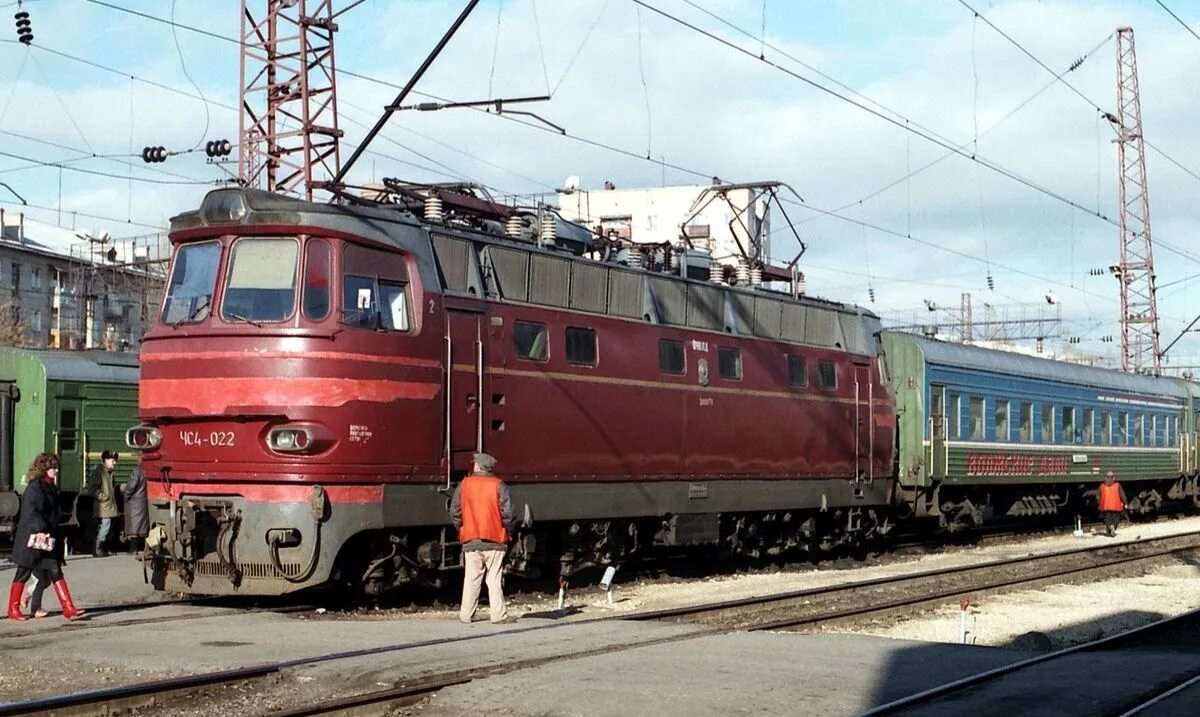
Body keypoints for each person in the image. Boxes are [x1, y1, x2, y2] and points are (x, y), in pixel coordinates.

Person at [7, 452, 86, 621]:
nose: (55, 471)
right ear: (44, 468)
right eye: (52, 468)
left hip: (46, 539)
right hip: (33, 538)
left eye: (56, 468)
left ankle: (68, 607)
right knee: (24, 571)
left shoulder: (50, 487)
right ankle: (13, 608)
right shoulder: (35, 488)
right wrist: (39, 529)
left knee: (55, 570)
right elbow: (32, 512)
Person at [450, 452, 516, 625]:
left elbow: (455, 512)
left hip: (471, 539)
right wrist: (508, 531)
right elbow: (508, 514)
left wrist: (463, 529)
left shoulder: (464, 485)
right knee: (494, 578)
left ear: (478, 466)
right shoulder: (499, 485)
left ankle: (465, 615)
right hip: (495, 539)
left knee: (471, 578)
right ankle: (498, 616)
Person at [87, 450, 120, 557]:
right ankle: (97, 549)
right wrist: (103, 497)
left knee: (109, 527)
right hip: (103, 506)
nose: (114, 463)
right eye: (112, 460)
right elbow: (92, 488)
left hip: (109, 505)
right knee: (105, 527)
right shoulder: (99, 472)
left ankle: (102, 548)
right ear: (105, 460)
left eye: (115, 460)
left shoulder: (109, 473)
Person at [123, 459, 149, 552]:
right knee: (143, 528)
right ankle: (146, 548)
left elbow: (131, 486)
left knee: (134, 528)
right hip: (143, 502)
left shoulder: (137, 471)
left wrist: (126, 496)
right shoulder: (148, 470)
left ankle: (133, 549)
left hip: (135, 504)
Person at [1098, 470, 1128, 537]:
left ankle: (1110, 529)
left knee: (1107, 519)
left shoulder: (1102, 486)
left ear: (1106, 478)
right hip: (1116, 506)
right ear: (1113, 478)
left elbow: (1098, 497)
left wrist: (1099, 504)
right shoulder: (1117, 485)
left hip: (1106, 506)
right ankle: (1113, 527)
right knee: (1116, 519)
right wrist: (1125, 503)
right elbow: (1122, 495)